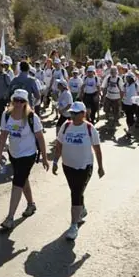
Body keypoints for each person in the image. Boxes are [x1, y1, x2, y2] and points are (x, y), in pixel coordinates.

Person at [0, 89, 49, 230]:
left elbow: (40, 138)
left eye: (22, 101)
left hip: (28, 155)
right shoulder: (6, 115)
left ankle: (9, 218)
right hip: (13, 153)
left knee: (17, 182)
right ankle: (31, 204)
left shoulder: (32, 117)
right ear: (12, 101)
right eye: (16, 100)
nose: (18, 103)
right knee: (23, 179)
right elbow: (3, 135)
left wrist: (44, 158)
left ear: (26, 103)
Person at [52, 102, 104, 240]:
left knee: (76, 193)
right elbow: (59, 145)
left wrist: (100, 167)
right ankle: (81, 209)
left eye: (75, 113)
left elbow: (97, 149)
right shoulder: (66, 126)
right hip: (68, 166)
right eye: (72, 113)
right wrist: (55, 162)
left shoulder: (89, 128)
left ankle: (73, 225)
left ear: (83, 114)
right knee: (75, 190)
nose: (73, 116)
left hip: (84, 167)